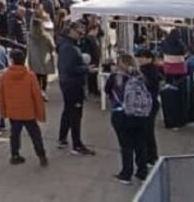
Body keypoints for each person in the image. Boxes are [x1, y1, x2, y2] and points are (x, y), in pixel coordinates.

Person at [104, 53, 151, 184]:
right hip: (140, 115)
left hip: (121, 114)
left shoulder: (115, 77)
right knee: (141, 144)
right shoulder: (140, 77)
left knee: (126, 145)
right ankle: (142, 172)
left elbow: (107, 90)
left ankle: (126, 174)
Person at [0, 48, 48, 167]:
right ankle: (41, 155)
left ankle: (15, 155)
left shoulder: (5, 76)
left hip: (13, 111)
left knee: (14, 134)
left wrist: (3, 112)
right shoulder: (30, 75)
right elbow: (36, 95)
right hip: (28, 111)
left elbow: (1, 95)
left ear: (11, 60)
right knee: (35, 134)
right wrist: (40, 112)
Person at [56, 23, 95, 155]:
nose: (81, 35)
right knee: (75, 114)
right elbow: (68, 68)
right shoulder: (69, 47)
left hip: (68, 83)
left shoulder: (68, 45)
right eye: (79, 33)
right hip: (72, 84)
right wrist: (86, 69)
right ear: (71, 32)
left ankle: (62, 138)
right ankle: (76, 144)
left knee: (68, 111)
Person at [136, 49, 163, 164]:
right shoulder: (152, 70)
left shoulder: (147, 71)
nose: (139, 59)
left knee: (146, 131)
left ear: (149, 59)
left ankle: (150, 156)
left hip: (148, 103)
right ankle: (151, 155)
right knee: (147, 130)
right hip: (151, 102)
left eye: (142, 57)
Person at [27, 18, 55, 100]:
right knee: (44, 77)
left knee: (36, 78)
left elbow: (28, 47)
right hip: (44, 59)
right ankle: (43, 93)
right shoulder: (46, 36)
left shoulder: (30, 36)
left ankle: (37, 93)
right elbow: (52, 46)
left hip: (34, 59)